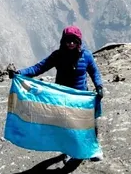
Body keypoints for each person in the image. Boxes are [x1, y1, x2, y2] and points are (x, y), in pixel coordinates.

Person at [13, 26, 104, 162]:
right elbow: (39, 68)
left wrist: (99, 86)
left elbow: (94, 72)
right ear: (63, 41)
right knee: (66, 126)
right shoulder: (57, 56)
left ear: (79, 42)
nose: (71, 44)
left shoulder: (86, 56)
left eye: (74, 41)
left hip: (81, 98)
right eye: (68, 41)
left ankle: (93, 150)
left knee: (88, 124)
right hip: (62, 98)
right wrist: (20, 73)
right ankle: (69, 151)